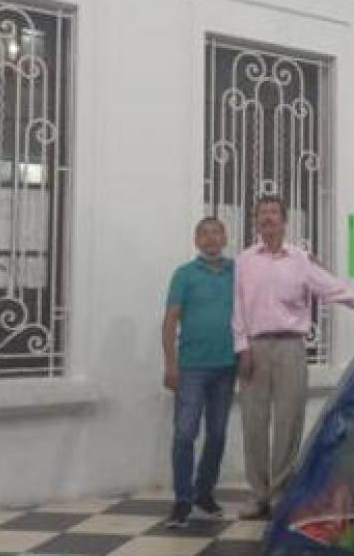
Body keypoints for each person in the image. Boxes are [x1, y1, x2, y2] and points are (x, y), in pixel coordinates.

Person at [232, 195, 354, 520]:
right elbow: (236, 307)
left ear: (284, 220)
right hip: (254, 348)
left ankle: (279, 492)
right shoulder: (244, 260)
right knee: (253, 423)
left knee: (288, 421)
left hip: (292, 347)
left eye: (273, 213)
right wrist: (242, 348)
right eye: (262, 213)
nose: (267, 218)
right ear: (256, 220)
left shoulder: (300, 260)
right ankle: (258, 495)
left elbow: (333, 288)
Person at [162, 217, 237, 528]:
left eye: (216, 232)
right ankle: (182, 499)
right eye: (204, 234)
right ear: (196, 240)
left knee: (217, 434)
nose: (210, 239)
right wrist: (170, 364)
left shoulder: (238, 272)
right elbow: (170, 321)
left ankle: (204, 493)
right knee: (185, 434)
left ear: (225, 237)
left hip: (227, 367)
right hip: (191, 367)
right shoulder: (184, 275)